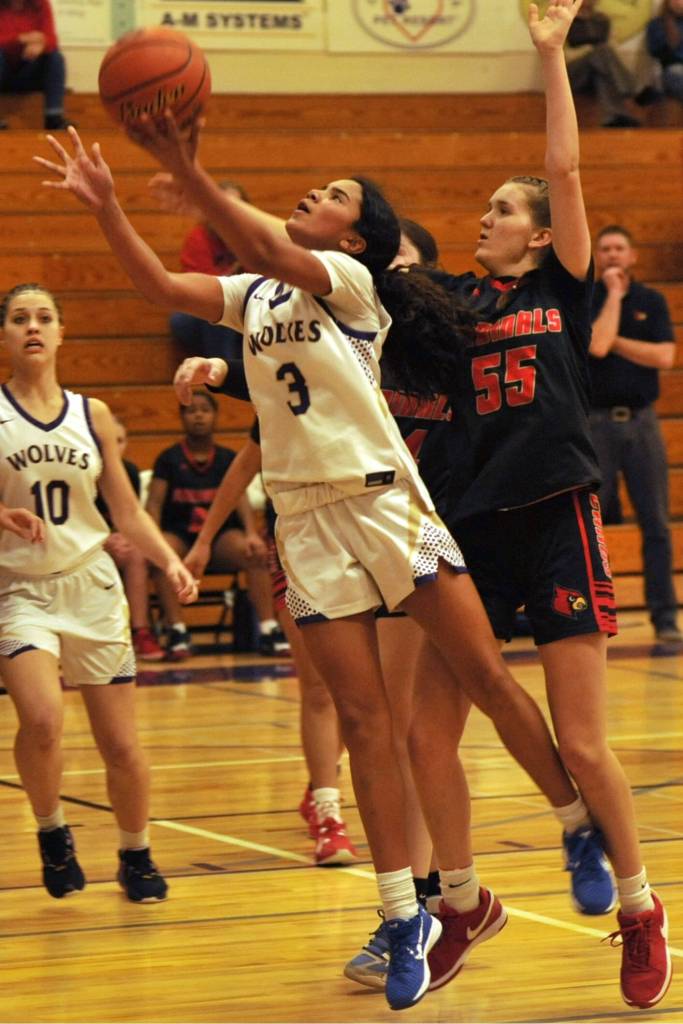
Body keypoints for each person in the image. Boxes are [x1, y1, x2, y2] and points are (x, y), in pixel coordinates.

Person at [33, 39, 629, 1005]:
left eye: (335, 194)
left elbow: (273, 245)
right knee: (363, 721)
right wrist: (107, 208)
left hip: (384, 501)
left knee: (482, 675)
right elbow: (163, 290)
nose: (313, 194)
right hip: (305, 521)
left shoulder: (345, 284)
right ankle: (403, 914)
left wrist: (187, 167)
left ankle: (573, 825)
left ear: (356, 238)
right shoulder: (257, 295)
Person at [405, 0, 671, 1010]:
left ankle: (639, 909)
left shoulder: (558, 287)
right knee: (425, 736)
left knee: (586, 741)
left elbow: (563, 166)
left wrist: (550, 54)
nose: (487, 218)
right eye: (484, 209)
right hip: (469, 532)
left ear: (539, 229)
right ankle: (461, 902)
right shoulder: (453, 305)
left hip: (556, 515)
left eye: (502, 209)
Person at [0, 282, 198, 902]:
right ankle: (52, 831)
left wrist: (169, 561)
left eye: (45, 317)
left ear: (62, 333)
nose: (33, 327)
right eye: (20, 318)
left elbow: (126, 510)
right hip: (19, 588)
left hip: (91, 586)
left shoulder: (93, 415)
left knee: (120, 744)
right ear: (4, 335)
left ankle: (136, 853)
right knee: (41, 718)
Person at [183, 419, 359, 867]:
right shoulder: (280, 393)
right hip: (298, 538)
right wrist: (204, 541)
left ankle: (321, 782)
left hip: (363, 533)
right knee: (319, 688)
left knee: (363, 690)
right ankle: (329, 815)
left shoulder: (374, 388)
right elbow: (244, 467)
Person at [588, 224, 681, 644]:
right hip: (596, 423)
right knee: (591, 524)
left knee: (656, 523)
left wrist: (616, 341)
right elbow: (596, 346)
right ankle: (594, 615)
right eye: (605, 249)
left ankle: (665, 617)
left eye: (619, 248)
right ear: (597, 255)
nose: (612, 255)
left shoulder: (651, 300)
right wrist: (612, 297)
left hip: (643, 422)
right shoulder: (587, 298)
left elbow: (664, 356)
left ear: (632, 255)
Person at [145, 388, 287, 660]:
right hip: (180, 535)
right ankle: (177, 631)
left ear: (215, 416)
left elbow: (240, 498)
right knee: (163, 556)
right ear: (182, 417)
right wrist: (155, 540)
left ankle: (269, 629)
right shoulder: (168, 459)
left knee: (255, 552)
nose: (198, 416)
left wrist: (250, 533)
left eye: (205, 410)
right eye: (191, 411)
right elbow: (153, 504)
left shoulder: (226, 458)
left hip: (219, 538)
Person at [95, 416, 165, 661]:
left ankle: (140, 631)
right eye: (108, 440)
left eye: (120, 441)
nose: (114, 447)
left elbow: (127, 515)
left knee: (135, 553)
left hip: (112, 544)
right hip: (79, 544)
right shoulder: (79, 470)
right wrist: (103, 540)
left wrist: (122, 538)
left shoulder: (129, 471)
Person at [169, 179, 246, 363]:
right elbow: (202, 288)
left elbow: (266, 281)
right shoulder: (199, 238)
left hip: (247, 307)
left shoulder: (253, 240)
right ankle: (223, 367)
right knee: (217, 308)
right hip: (206, 310)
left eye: (235, 207)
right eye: (222, 206)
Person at [565, 0, 641, 127]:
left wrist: (598, 53)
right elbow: (563, 53)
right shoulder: (565, 18)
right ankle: (633, 89)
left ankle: (613, 117)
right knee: (601, 52)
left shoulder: (602, 20)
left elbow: (612, 48)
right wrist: (591, 51)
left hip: (596, 69)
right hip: (571, 73)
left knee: (601, 71)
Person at [0, 0, 72, 131]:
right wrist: (20, 39)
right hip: (4, 74)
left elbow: (51, 39)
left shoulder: (41, 4)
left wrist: (42, 45)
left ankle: (53, 117)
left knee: (55, 57)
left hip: (29, 72)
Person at [646, 0, 683, 101]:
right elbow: (654, 51)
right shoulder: (656, 24)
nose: (679, 2)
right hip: (673, 67)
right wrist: (671, 41)